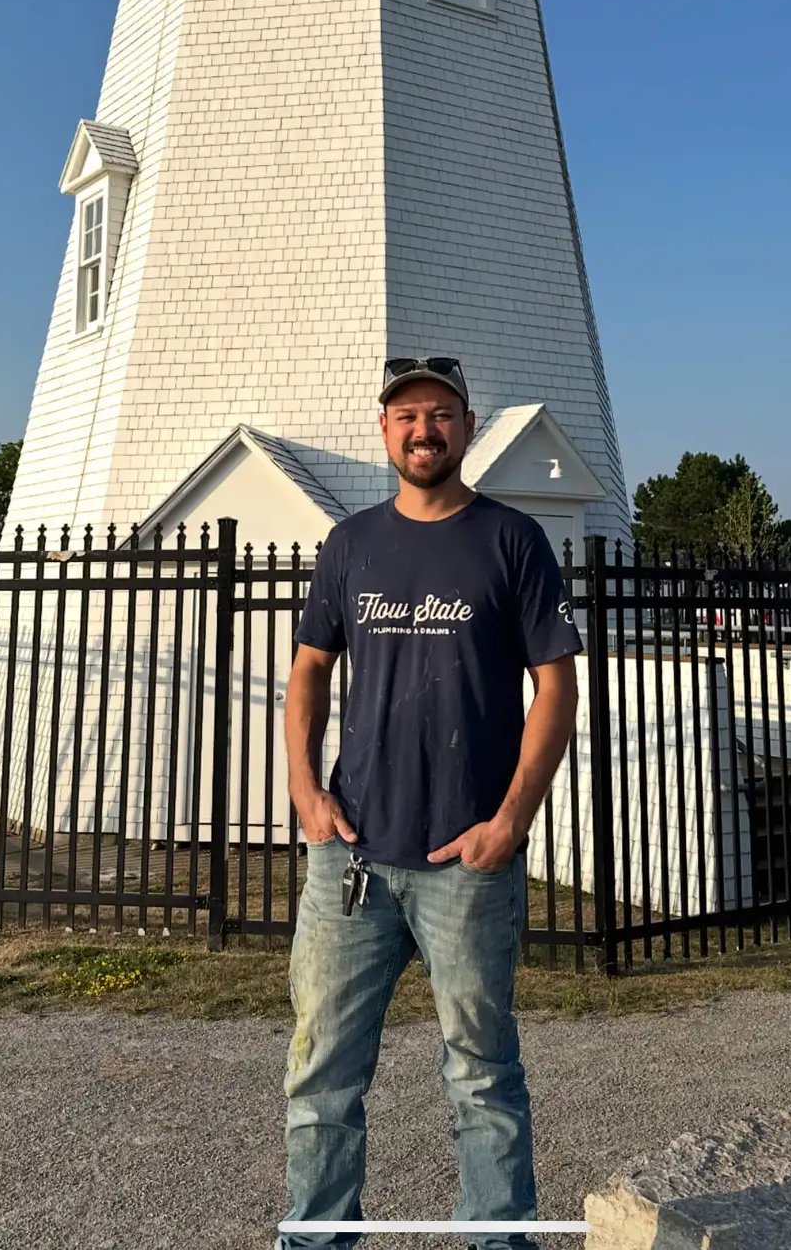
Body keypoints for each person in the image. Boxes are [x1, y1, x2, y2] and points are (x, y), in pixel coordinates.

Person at [278, 357, 582, 1250]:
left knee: (482, 1073)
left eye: (439, 413)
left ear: (466, 424)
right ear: (384, 429)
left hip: (467, 861)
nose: (423, 429)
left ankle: (498, 1239)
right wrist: (305, 790)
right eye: (406, 414)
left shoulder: (513, 540)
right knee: (321, 1072)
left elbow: (555, 688)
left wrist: (512, 819)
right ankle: (317, 1238)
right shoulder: (350, 544)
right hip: (353, 858)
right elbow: (308, 674)